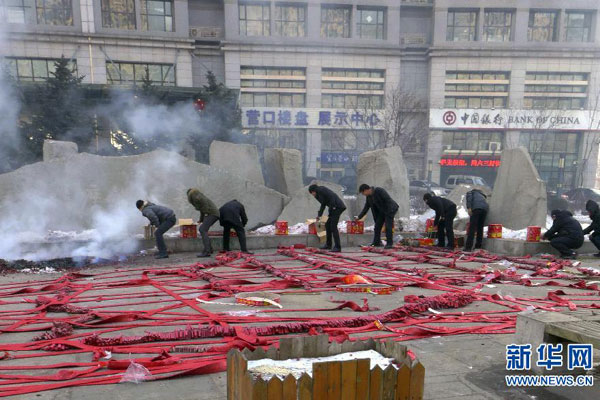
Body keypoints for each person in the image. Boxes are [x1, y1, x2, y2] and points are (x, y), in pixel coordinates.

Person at [357, 184, 399, 249]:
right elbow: (366, 207)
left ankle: (389, 243)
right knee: (377, 226)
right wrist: (359, 217)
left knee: (388, 226)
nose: (363, 194)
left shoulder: (379, 190)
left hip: (390, 209)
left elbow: (387, 200)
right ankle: (376, 242)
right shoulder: (369, 197)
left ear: (366, 190)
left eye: (363, 193)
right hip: (382, 211)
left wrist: (386, 215)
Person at [309, 184, 347, 252]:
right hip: (334, 208)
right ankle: (328, 244)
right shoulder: (319, 194)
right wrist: (319, 215)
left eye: (312, 193)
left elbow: (332, 196)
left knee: (333, 227)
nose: (313, 195)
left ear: (313, 191)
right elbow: (323, 204)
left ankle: (338, 247)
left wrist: (333, 207)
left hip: (337, 207)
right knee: (327, 225)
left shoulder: (321, 190)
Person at [187, 188, 220, 258]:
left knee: (202, 230)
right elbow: (202, 209)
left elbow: (205, 206)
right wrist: (201, 220)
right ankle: (209, 249)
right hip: (213, 213)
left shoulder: (196, 196)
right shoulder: (199, 196)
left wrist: (206, 215)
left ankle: (207, 251)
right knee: (203, 229)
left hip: (212, 214)